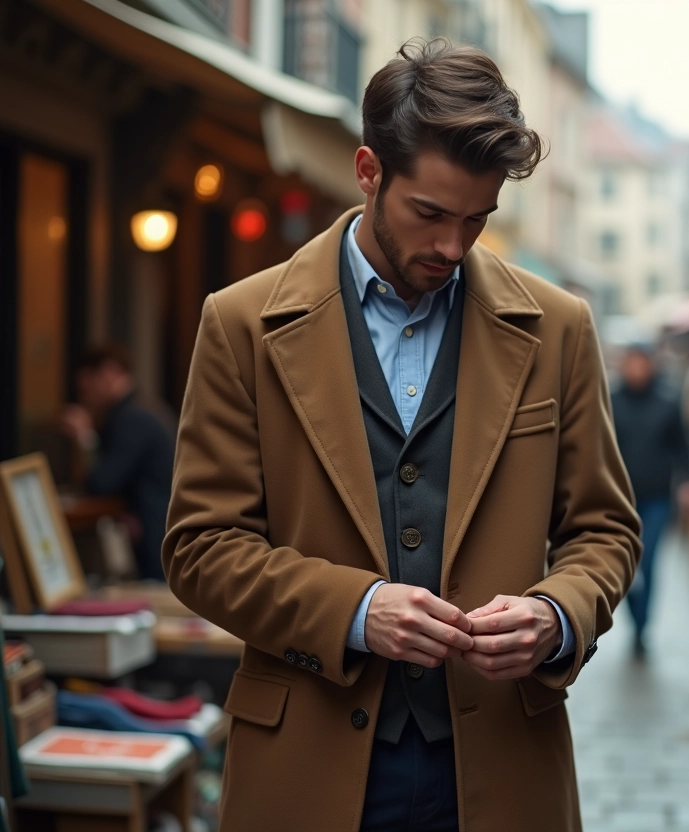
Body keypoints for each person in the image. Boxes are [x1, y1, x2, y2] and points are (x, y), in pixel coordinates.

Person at [162, 38, 640, 832]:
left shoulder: (558, 328)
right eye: (431, 214)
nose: (453, 247)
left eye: (477, 221)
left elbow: (605, 530)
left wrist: (558, 616)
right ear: (368, 171)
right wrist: (357, 610)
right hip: (304, 767)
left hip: (501, 771)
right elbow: (200, 548)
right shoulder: (241, 323)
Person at [61, 344, 175, 581]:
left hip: (156, 532)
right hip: (161, 528)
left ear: (110, 372)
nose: (86, 398)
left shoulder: (133, 417)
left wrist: (84, 437)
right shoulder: (143, 407)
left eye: (88, 388)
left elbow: (102, 482)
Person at [610, 342, 689, 655]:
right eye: (631, 363)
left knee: (650, 561)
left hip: (657, 497)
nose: (637, 369)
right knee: (627, 564)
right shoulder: (611, 400)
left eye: (642, 363)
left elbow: (682, 445)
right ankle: (634, 619)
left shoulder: (668, 400)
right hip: (619, 498)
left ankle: (642, 628)